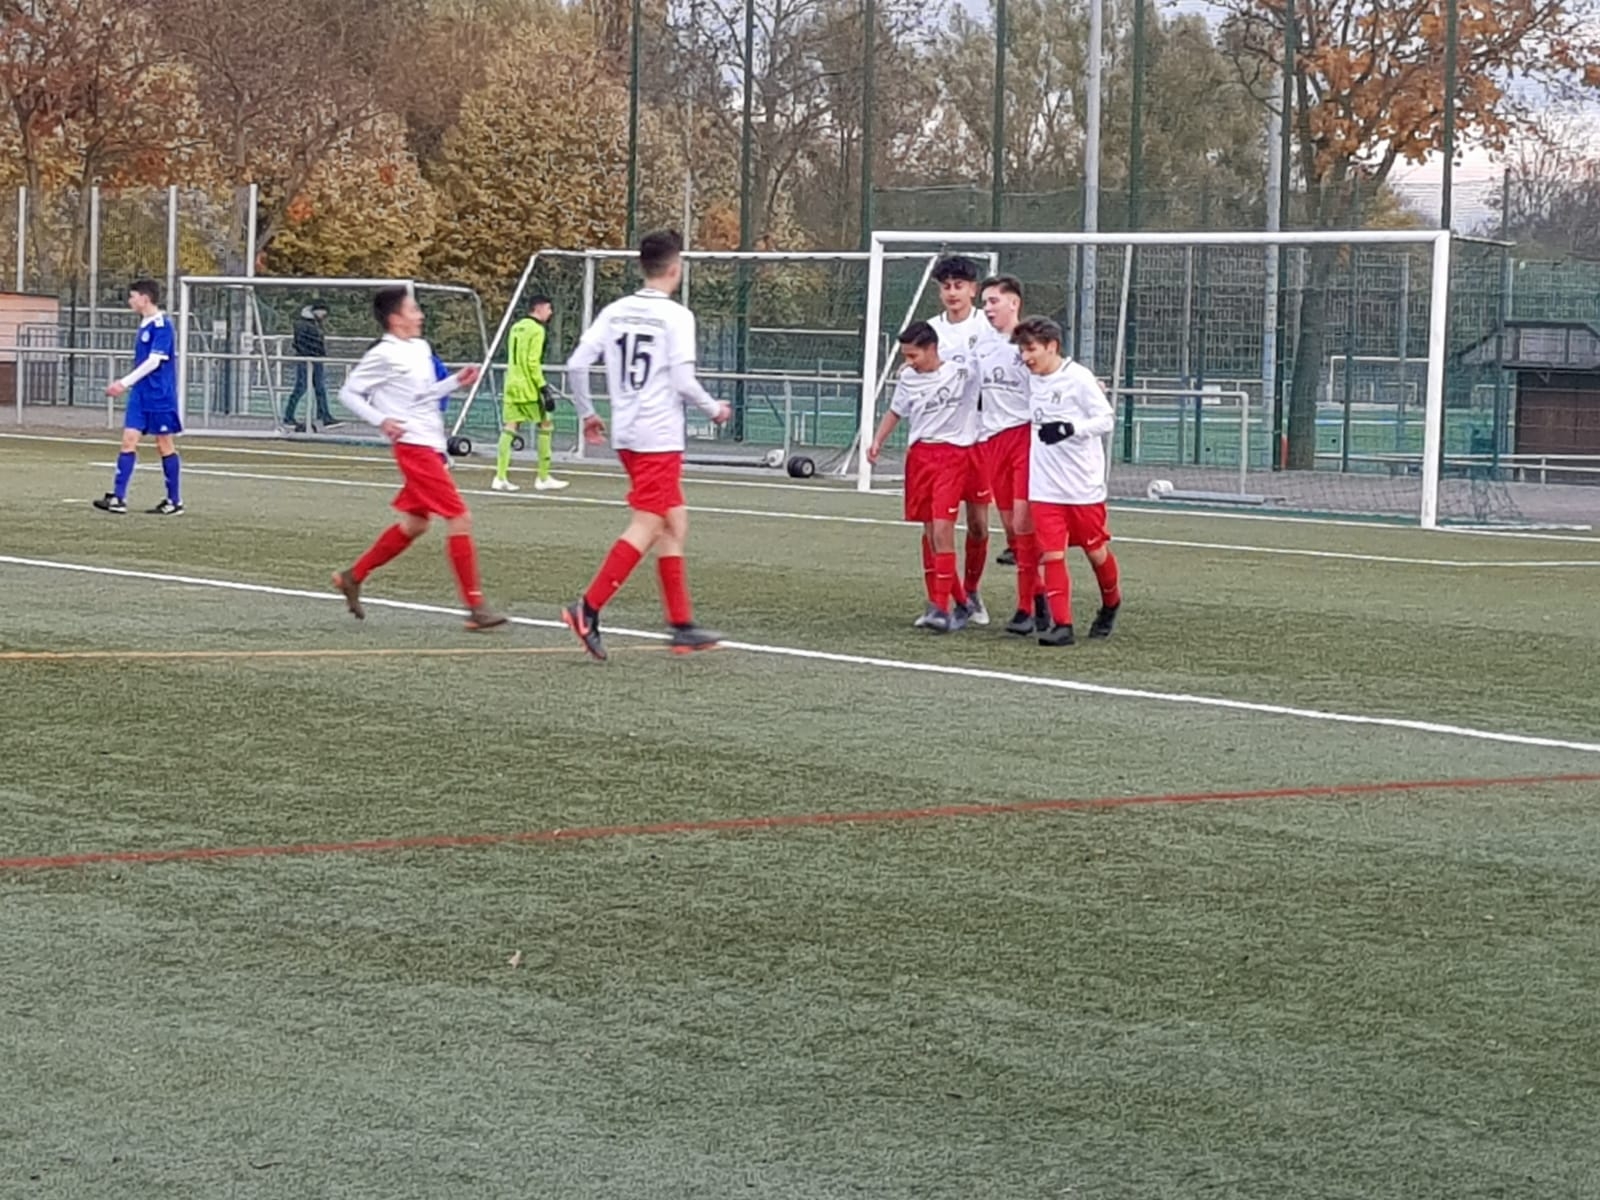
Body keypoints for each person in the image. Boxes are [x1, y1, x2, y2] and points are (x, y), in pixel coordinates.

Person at [560, 230, 731, 661]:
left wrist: (587, 413)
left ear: (643, 266)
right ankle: (587, 608)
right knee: (650, 523)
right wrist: (715, 410)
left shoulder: (616, 311)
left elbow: (576, 364)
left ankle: (681, 624)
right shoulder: (677, 316)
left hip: (628, 434)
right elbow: (683, 381)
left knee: (674, 522)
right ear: (675, 269)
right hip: (659, 436)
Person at [330, 285, 506, 632]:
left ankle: (353, 576)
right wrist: (381, 420)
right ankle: (475, 607)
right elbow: (348, 393)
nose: (420, 315)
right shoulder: (384, 353)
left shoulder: (420, 348)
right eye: (413, 310)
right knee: (460, 518)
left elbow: (421, 396)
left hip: (430, 442)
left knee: (416, 524)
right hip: (413, 446)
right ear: (396, 319)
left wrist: (454, 382)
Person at [866, 320, 983, 634]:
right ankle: (961, 602)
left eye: (913, 355)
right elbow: (895, 411)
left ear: (932, 349)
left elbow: (996, 363)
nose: (909, 362)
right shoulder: (908, 378)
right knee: (931, 535)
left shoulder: (962, 373)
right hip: (920, 458)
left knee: (943, 529)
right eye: (905, 356)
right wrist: (877, 440)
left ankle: (940, 608)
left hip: (953, 457)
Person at [1013, 316, 1122, 647]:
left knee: (1095, 551)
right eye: (1022, 351)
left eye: (1031, 349)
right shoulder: (1030, 378)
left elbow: (1106, 419)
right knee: (1052, 554)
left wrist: (1070, 429)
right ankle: (1063, 625)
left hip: (1082, 487)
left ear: (1052, 346)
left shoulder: (1078, 378)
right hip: (1044, 486)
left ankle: (1111, 602)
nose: (1026, 357)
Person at [927, 254, 998, 625]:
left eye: (959, 285)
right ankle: (940, 599)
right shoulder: (930, 330)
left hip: (982, 438)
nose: (952, 292)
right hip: (942, 441)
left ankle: (971, 591)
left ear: (974, 289)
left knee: (979, 524)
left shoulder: (988, 326)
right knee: (936, 523)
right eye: (946, 286)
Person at [977, 275, 1049, 634]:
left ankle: (1027, 608)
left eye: (994, 301)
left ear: (1014, 303)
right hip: (992, 442)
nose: (988, 309)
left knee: (1023, 523)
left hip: (1023, 436)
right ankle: (1040, 598)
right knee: (1011, 527)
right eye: (985, 303)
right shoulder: (981, 345)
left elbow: (1055, 373)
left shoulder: (1028, 344)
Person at [94, 279, 184, 516]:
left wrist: (123, 383)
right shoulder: (145, 324)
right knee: (128, 440)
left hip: (159, 396)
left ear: (145, 298)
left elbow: (154, 362)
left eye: (133, 296)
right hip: (140, 395)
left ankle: (174, 501)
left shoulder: (162, 325)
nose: (130, 301)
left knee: (164, 444)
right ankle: (118, 498)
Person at [494, 294, 567, 492]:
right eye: (548, 308)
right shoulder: (537, 330)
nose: (550, 313)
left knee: (510, 427)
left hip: (511, 384)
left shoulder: (516, 327)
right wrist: (543, 387)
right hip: (528, 387)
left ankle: (500, 477)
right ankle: (543, 477)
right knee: (546, 424)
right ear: (539, 308)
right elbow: (532, 362)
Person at [282, 301, 337, 430]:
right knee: (302, 387)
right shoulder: (304, 324)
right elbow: (304, 342)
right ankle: (289, 417)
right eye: (322, 311)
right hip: (307, 359)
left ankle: (324, 415)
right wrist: (314, 353)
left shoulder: (312, 323)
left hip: (314, 358)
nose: (324, 315)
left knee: (318, 387)